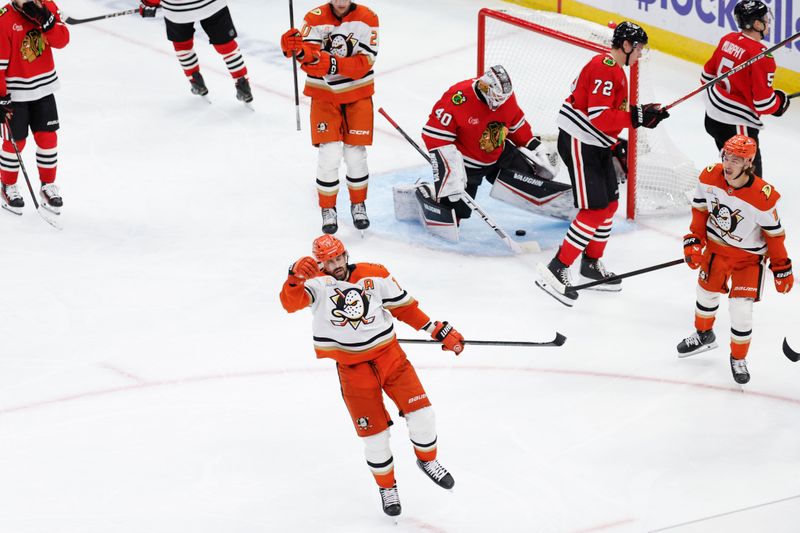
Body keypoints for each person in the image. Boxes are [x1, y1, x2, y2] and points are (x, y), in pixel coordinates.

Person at [279, 234, 463, 517]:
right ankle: (387, 488)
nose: (336, 264)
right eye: (329, 261)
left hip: (391, 359)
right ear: (320, 263)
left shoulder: (374, 275)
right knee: (375, 438)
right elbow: (290, 304)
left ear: (346, 254)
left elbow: (405, 309)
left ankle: (427, 460)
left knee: (423, 415)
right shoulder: (315, 285)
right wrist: (293, 279)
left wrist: (436, 329)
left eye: (339, 257)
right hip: (354, 371)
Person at [536, 21, 670, 306]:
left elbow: (611, 112)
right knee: (594, 210)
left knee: (609, 205)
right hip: (579, 142)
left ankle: (590, 263)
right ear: (626, 45)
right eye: (639, 48)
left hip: (595, 144)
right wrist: (638, 118)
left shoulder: (614, 69)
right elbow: (598, 116)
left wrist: (642, 113)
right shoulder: (605, 67)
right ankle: (557, 268)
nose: (640, 54)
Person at [677, 135, 792, 384]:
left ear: (748, 163)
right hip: (717, 252)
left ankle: (738, 358)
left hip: (747, 260)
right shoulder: (709, 177)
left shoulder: (763, 196)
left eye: (736, 160)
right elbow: (700, 211)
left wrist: (782, 268)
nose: (728, 164)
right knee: (704, 294)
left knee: (741, 310)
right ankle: (704, 335)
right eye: (726, 157)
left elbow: (774, 236)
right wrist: (694, 240)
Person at [279, 0, 378, 234]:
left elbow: (364, 63)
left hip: (358, 95)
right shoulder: (314, 17)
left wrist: (329, 63)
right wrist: (297, 50)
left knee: (355, 155)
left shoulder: (368, 17)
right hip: (324, 96)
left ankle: (358, 204)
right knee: (329, 153)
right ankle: (328, 208)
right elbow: (308, 60)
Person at [420, 64, 561, 223]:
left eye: (504, 98)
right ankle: (428, 194)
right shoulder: (458, 98)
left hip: (498, 153)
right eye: (497, 97)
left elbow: (515, 122)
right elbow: (434, 135)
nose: (501, 102)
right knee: (456, 212)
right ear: (484, 87)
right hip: (466, 165)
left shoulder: (506, 97)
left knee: (530, 181)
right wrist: (450, 170)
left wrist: (534, 145)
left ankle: (551, 199)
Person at [701, 0, 791, 178]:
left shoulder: (728, 39)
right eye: (765, 18)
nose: (768, 21)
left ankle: (728, 198)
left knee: (731, 169)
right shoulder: (762, 55)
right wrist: (780, 102)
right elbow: (764, 104)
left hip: (712, 118)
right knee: (750, 180)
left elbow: (706, 77)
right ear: (757, 24)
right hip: (735, 125)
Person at [0, 0, 68, 215]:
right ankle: (7, 185)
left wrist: (47, 21)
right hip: (15, 95)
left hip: (44, 89)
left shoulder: (46, 6)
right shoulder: (3, 19)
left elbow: (62, 41)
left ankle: (47, 185)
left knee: (48, 139)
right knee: (15, 143)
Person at [138, 0, 253, 104]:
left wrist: (148, 4)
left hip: (178, 10)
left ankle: (195, 80)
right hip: (212, 5)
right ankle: (242, 82)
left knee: (183, 46)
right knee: (226, 45)